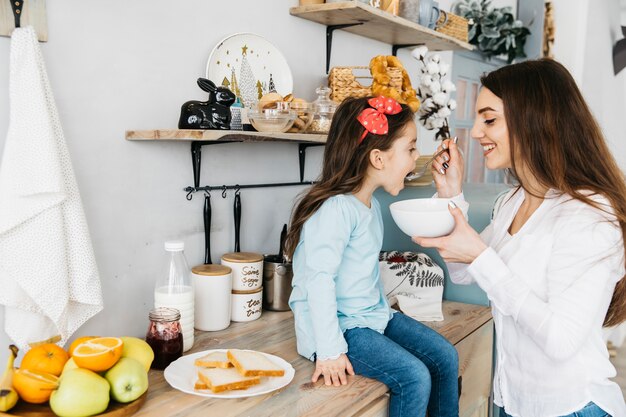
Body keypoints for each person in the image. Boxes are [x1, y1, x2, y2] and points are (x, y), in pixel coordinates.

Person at [414, 59, 626, 417]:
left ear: (534, 119)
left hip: (574, 408)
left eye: (490, 119)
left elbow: (560, 340)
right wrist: (452, 198)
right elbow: (465, 271)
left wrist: (482, 258)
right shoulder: (514, 201)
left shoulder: (589, 214)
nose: (477, 132)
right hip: (514, 402)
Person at [284, 96, 459, 417]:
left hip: (372, 316)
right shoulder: (336, 209)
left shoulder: (371, 206)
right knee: (414, 376)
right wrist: (330, 350)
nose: (416, 156)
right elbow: (318, 281)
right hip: (341, 328)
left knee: (444, 356)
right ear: (378, 158)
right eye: (410, 148)